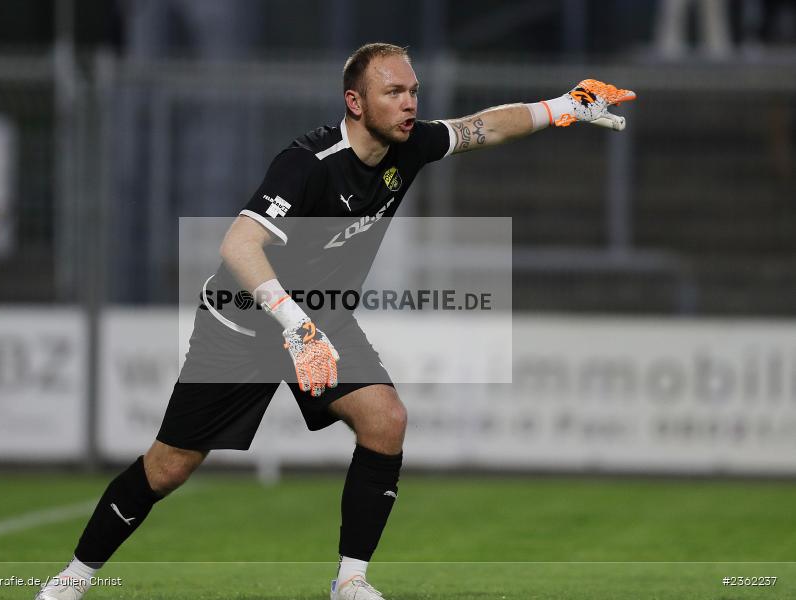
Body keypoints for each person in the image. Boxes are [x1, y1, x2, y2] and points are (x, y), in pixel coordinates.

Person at [35, 42, 635, 600]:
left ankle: (350, 582)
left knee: (386, 420)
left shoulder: (410, 146)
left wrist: (564, 106)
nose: (409, 103)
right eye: (394, 92)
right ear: (355, 102)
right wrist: (295, 326)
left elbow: (482, 128)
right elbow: (239, 246)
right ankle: (71, 579)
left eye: (413, 90)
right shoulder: (308, 164)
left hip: (321, 317)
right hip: (243, 325)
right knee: (168, 468)